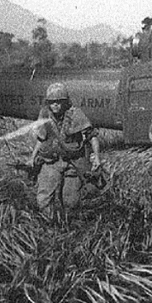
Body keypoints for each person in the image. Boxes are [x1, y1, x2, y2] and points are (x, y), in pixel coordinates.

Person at [29, 82, 101, 218]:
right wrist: (32, 157)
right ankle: (50, 224)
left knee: (71, 201)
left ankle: (68, 227)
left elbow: (92, 136)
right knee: (43, 199)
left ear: (65, 102)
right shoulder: (45, 114)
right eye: (52, 102)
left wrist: (96, 157)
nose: (55, 105)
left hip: (73, 163)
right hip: (52, 162)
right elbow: (41, 138)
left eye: (59, 102)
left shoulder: (76, 114)